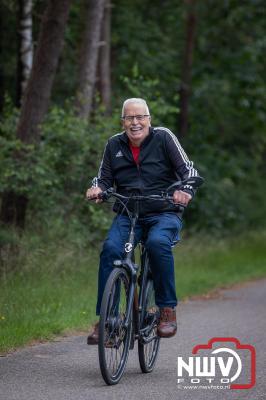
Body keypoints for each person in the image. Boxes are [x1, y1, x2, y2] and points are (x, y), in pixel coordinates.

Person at [86, 98, 200, 344]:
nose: (135, 122)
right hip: (129, 213)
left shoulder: (164, 137)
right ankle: (108, 319)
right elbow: (102, 178)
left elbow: (189, 170)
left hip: (164, 212)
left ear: (149, 119)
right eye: (129, 117)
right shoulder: (113, 144)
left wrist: (187, 190)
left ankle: (167, 310)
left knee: (158, 243)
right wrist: (96, 189)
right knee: (110, 250)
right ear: (123, 121)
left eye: (140, 117)